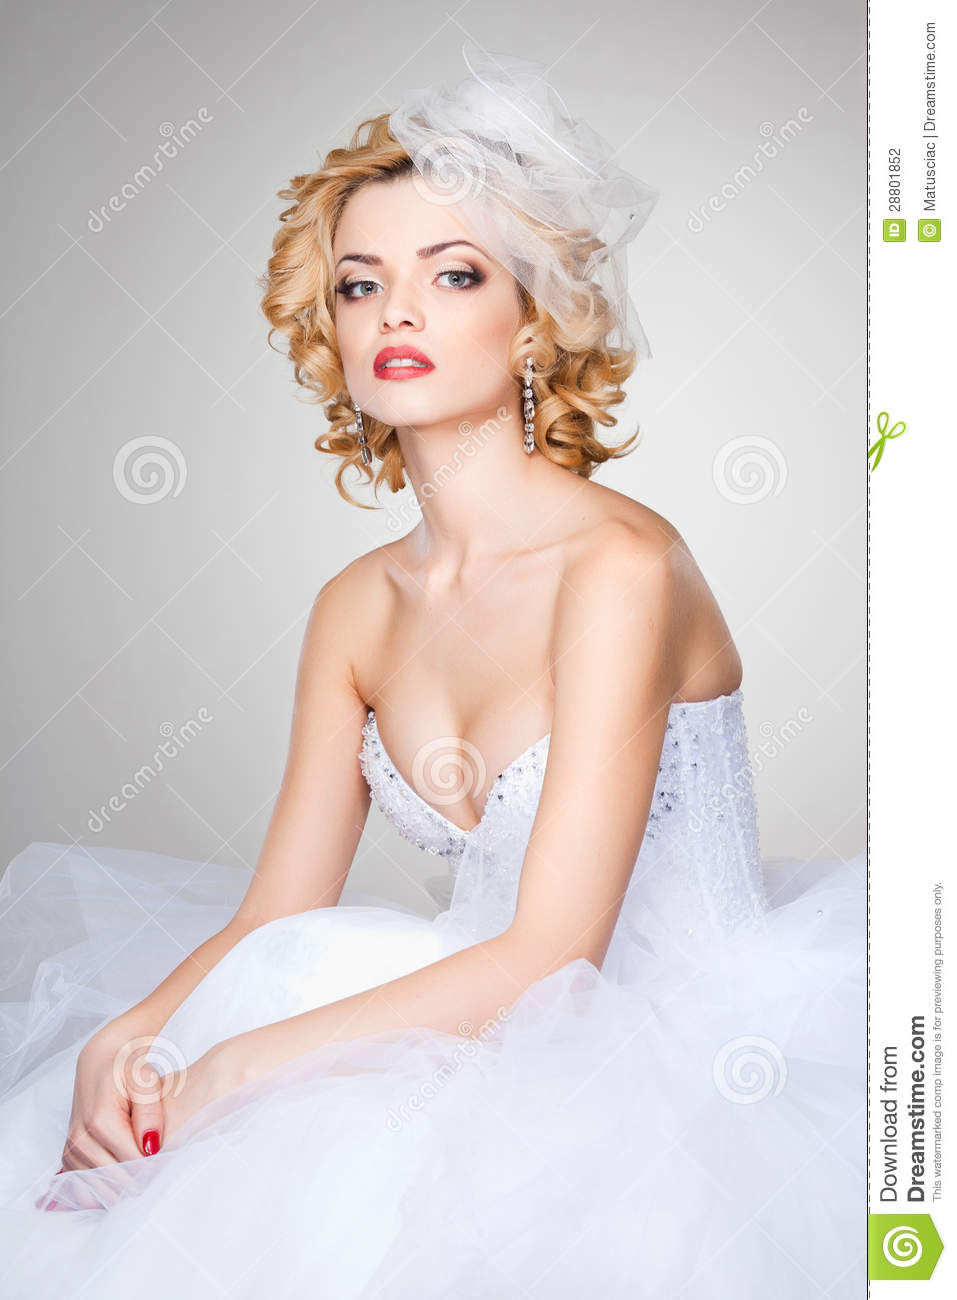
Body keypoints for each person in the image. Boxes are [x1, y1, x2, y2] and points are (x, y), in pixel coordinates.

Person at [0, 41, 864, 1299]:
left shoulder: (622, 568)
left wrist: (228, 1071)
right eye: (361, 284)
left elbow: (553, 952)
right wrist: (137, 1036)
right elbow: (274, 914)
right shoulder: (356, 606)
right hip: (464, 1021)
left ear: (533, 321)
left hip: (671, 1053)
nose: (396, 312)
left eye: (453, 274)